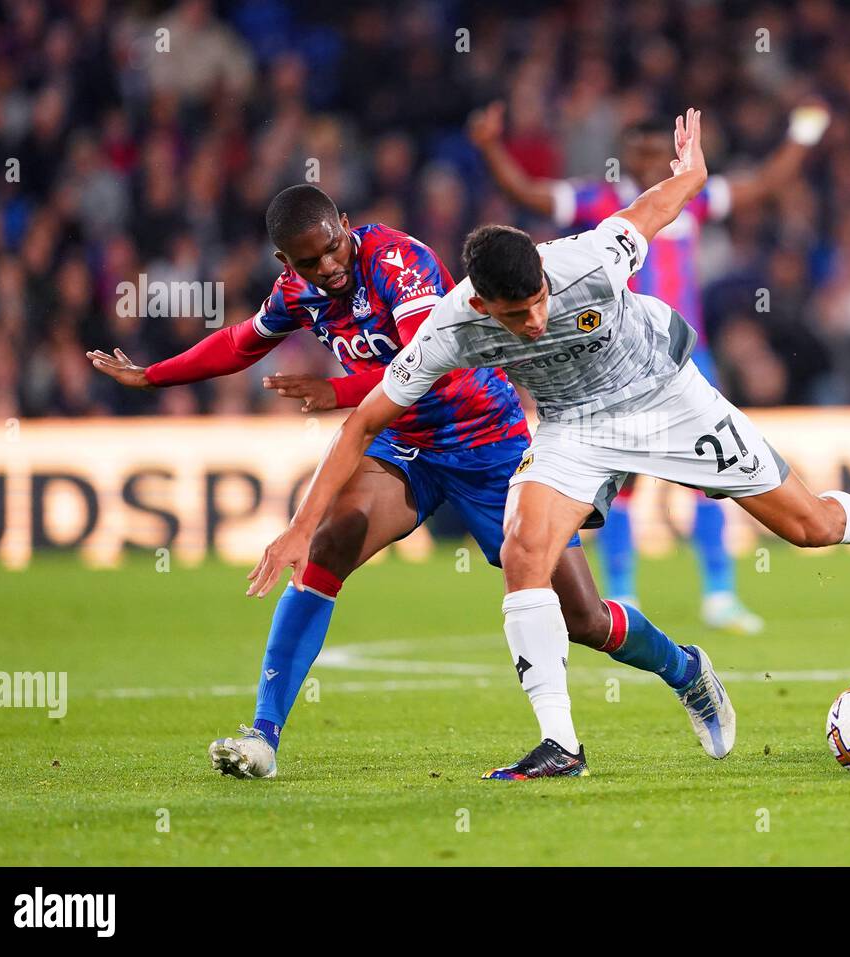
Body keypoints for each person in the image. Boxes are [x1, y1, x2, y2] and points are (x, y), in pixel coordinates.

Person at [248, 111, 850, 780]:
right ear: (482, 307)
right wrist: (300, 528)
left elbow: (655, 206)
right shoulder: (449, 331)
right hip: (575, 425)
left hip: (667, 398)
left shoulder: (589, 259)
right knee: (524, 551)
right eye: (518, 315)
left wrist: (692, 172)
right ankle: (560, 743)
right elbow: (363, 422)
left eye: (541, 301)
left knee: (808, 526)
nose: (537, 318)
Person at [88, 184, 731, 780]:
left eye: (334, 248)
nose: (329, 268)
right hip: (405, 448)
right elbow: (241, 342)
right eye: (311, 262)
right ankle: (263, 736)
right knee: (328, 549)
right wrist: (155, 377)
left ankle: (687, 670)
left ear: (345, 225)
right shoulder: (295, 292)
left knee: (584, 618)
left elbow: (431, 367)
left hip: (488, 445)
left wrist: (336, 389)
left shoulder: (400, 263)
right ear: (288, 261)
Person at [468, 100, 831, 634]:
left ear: (669, 158)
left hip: (688, 357)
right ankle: (624, 593)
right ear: (623, 155)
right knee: (625, 479)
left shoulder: (694, 199)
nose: (645, 163)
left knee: (715, 476)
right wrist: (489, 147)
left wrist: (800, 135)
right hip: (617, 364)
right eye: (636, 153)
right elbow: (527, 193)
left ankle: (720, 593)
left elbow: (763, 184)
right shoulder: (600, 204)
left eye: (655, 154)